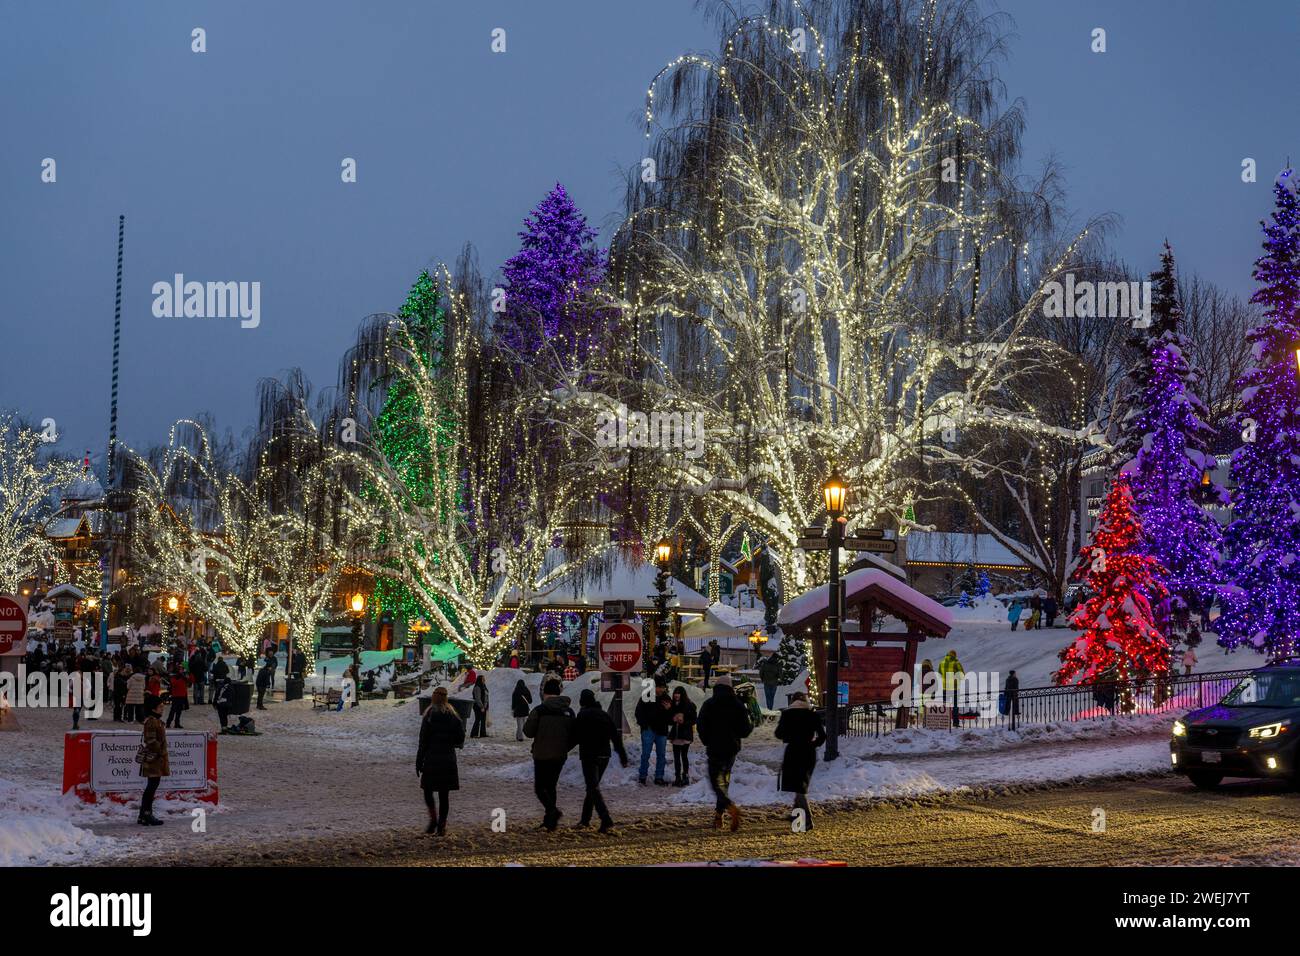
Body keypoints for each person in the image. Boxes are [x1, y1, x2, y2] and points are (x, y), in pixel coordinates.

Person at [695, 675, 752, 831]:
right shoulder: (738, 705)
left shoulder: (709, 704)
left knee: (715, 782)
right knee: (724, 781)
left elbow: (700, 725)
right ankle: (718, 815)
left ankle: (729, 807)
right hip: (731, 750)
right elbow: (745, 730)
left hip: (714, 748)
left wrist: (706, 740)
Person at [573, 688, 628, 833]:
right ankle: (585, 820)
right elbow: (615, 736)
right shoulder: (604, 715)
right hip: (604, 755)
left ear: (582, 701)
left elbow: (575, 736)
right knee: (592, 787)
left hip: (589, 755)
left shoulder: (582, 715)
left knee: (593, 788)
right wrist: (622, 755)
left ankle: (606, 819)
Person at [523, 679, 576, 831]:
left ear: (545, 693)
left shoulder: (539, 710)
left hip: (541, 754)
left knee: (540, 788)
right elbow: (574, 733)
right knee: (551, 786)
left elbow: (528, 731)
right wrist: (565, 746)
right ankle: (550, 821)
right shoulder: (568, 711)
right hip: (559, 755)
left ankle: (552, 812)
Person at [774, 691, 827, 830]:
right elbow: (822, 736)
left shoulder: (787, 714)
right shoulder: (812, 715)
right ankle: (796, 817)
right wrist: (813, 744)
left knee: (799, 787)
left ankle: (807, 820)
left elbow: (778, 733)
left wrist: (790, 735)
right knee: (800, 785)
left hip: (792, 752)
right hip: (808, 753)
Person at [416, 687, 465, 836]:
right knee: (444, 795)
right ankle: (441, 826)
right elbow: (460, 738)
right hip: (448, 759)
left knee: (428, 791)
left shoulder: (429, 715)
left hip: (432, 758)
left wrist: (419, 760)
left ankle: (433, 820)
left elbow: (423, 740)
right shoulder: (453, 715)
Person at [137, 694, 170, 826]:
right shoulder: (152, 721)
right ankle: (146, 814)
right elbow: (150, 740)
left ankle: (143, 814)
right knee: (151, 787)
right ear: (153, 708)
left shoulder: (156, 721)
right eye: (160, 707)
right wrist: (160, 752)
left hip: (156, 759)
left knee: (152, 787)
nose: (162, 709)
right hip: (154, 760)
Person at [634, 683, 673, 785]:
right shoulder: (646, 696)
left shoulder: (667, 699)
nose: (660, 689)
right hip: (648, 729)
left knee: (661, 755)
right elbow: (638, 712)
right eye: (658, 687)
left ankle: (659, 777)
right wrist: (644, 725)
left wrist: (669, 710)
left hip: (662, 730)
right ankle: (642, 777)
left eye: (662, 687)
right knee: (646, 754)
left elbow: (671, 719)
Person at [668, 684, 697, 786]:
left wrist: (683, 721)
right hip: (676, 734)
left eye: (678, 693)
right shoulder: (672, 705)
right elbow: (669, 720)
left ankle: (685, 776)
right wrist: (672, 718)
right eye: (675, 693)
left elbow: (694, 720)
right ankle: (677, 778)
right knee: (676, 757)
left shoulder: (689, 705)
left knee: (684, 756)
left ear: (682, 694)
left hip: (685, 734)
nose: (676, 695)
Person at [470, 673, 490, 738]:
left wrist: (486, 706)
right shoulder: (477, 687)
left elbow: (486, 696)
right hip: (478, 706)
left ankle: (483, 733)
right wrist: (481, 706)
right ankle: (474, 734)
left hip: (484, 706)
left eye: (484, 679)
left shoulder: (483, 686)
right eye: (483, 679)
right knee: (478, 719)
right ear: (480, 680)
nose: (484, 680)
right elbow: (477, 698)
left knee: (483, 720)